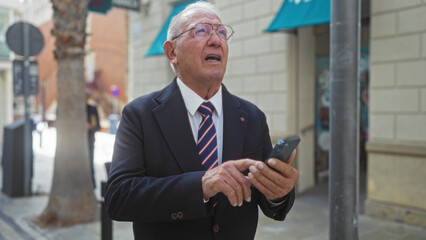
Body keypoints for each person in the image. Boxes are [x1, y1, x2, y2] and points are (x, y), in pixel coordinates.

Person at [105, 2, 298, 240]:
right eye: (201, 31)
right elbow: (119, 198)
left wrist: (278, 192)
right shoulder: (140, 114)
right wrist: (201, 185)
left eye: (222, 32)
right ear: (172, 52)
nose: (216, 40)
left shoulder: (252, 117)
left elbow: (269, 204)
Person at [86, 89, 100, 188]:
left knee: (90, 165)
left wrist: (90, 126)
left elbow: (97, 126)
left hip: (89, 141)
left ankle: (91, 185)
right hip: (76, 144)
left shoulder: (92, 109)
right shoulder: (76, 109)